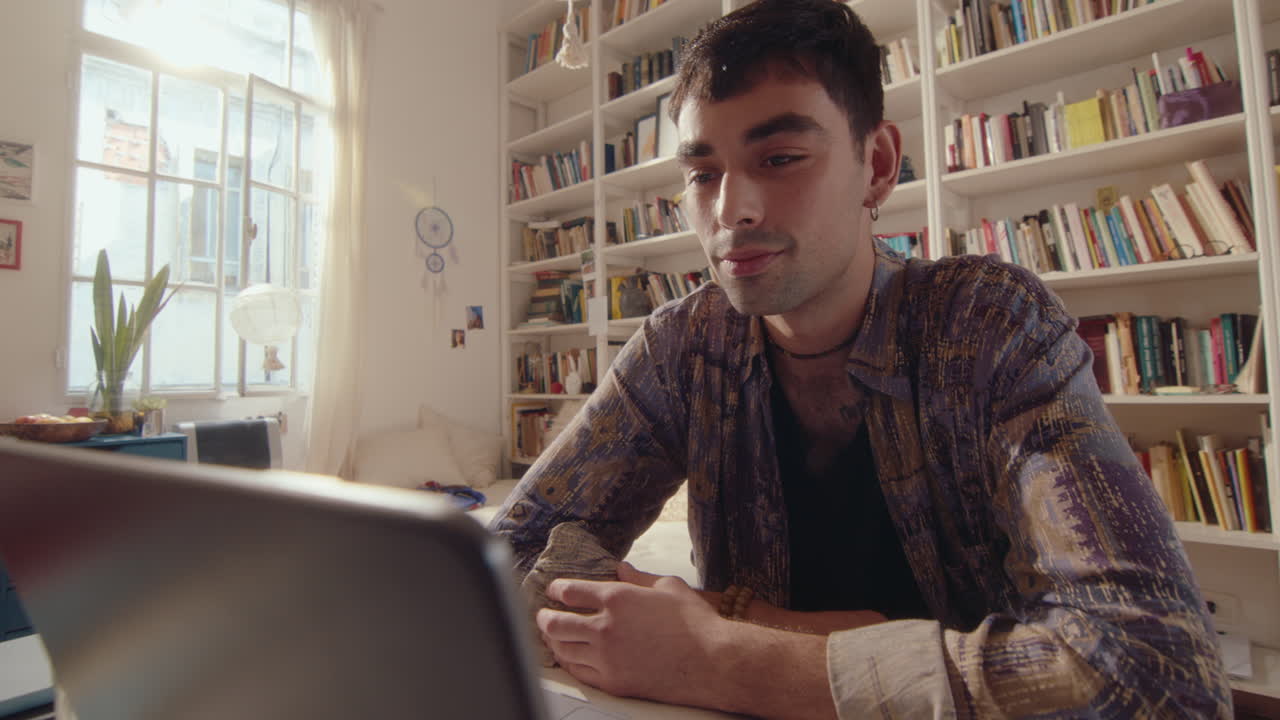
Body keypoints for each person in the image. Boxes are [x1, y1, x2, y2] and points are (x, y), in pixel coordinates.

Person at [490, 0, 1231, 716]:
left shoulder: (989, 326)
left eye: (779, 157)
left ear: (876, 164)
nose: (731, 210)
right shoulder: (682, 348)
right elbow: (507, 561)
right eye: (703, 172)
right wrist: (764, 628)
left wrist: (718, 648)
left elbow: (1159, 678)